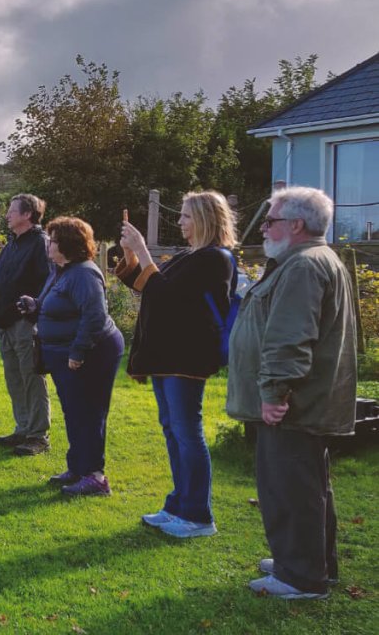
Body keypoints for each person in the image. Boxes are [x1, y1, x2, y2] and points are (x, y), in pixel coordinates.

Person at [228, 187, 356, 600]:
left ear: (296, 225)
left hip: (294, 404)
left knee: (290, 488)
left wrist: (274, 394)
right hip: (303, 401)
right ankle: (311, 563)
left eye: (271, 220)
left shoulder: (303, 266)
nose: (264, 228)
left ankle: (300, 577)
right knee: (307, 485)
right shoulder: (305, 261)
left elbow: (289, 339)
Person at [117, 191, 237, 539]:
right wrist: (130, 254)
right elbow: (151, 286)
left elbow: (165, 293)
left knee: (187, 433)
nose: (180, 222)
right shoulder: (190, 255)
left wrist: (142, 248)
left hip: (187, 356)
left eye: (186, 216)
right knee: (173, 429)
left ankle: (199, 515)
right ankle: (179, 504)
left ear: (204, 219)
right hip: (166, 355)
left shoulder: (215, 259)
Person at [20, 216, 124, 497]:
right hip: (62, 353)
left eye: (53, 240)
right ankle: (78, 467)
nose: (48, 245)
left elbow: (94, 317)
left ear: (67, 244)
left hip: (90, 353)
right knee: (73, 411)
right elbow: (56, 302)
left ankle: (95, 477)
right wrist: (35, 305)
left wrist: (78, 352)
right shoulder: (61, 270)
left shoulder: (84, 274)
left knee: (88, 412)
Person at [0, 194, 53, 456]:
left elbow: (48, 282)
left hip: (25, 322)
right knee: (14, 378)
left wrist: (32, 315)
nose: (7, 215)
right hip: (5, 321)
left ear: (28, 215)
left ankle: (38, 435)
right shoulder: (14, 243)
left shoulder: (40, 243)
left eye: (12, 211)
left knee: (31, 378)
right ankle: (22, 428)